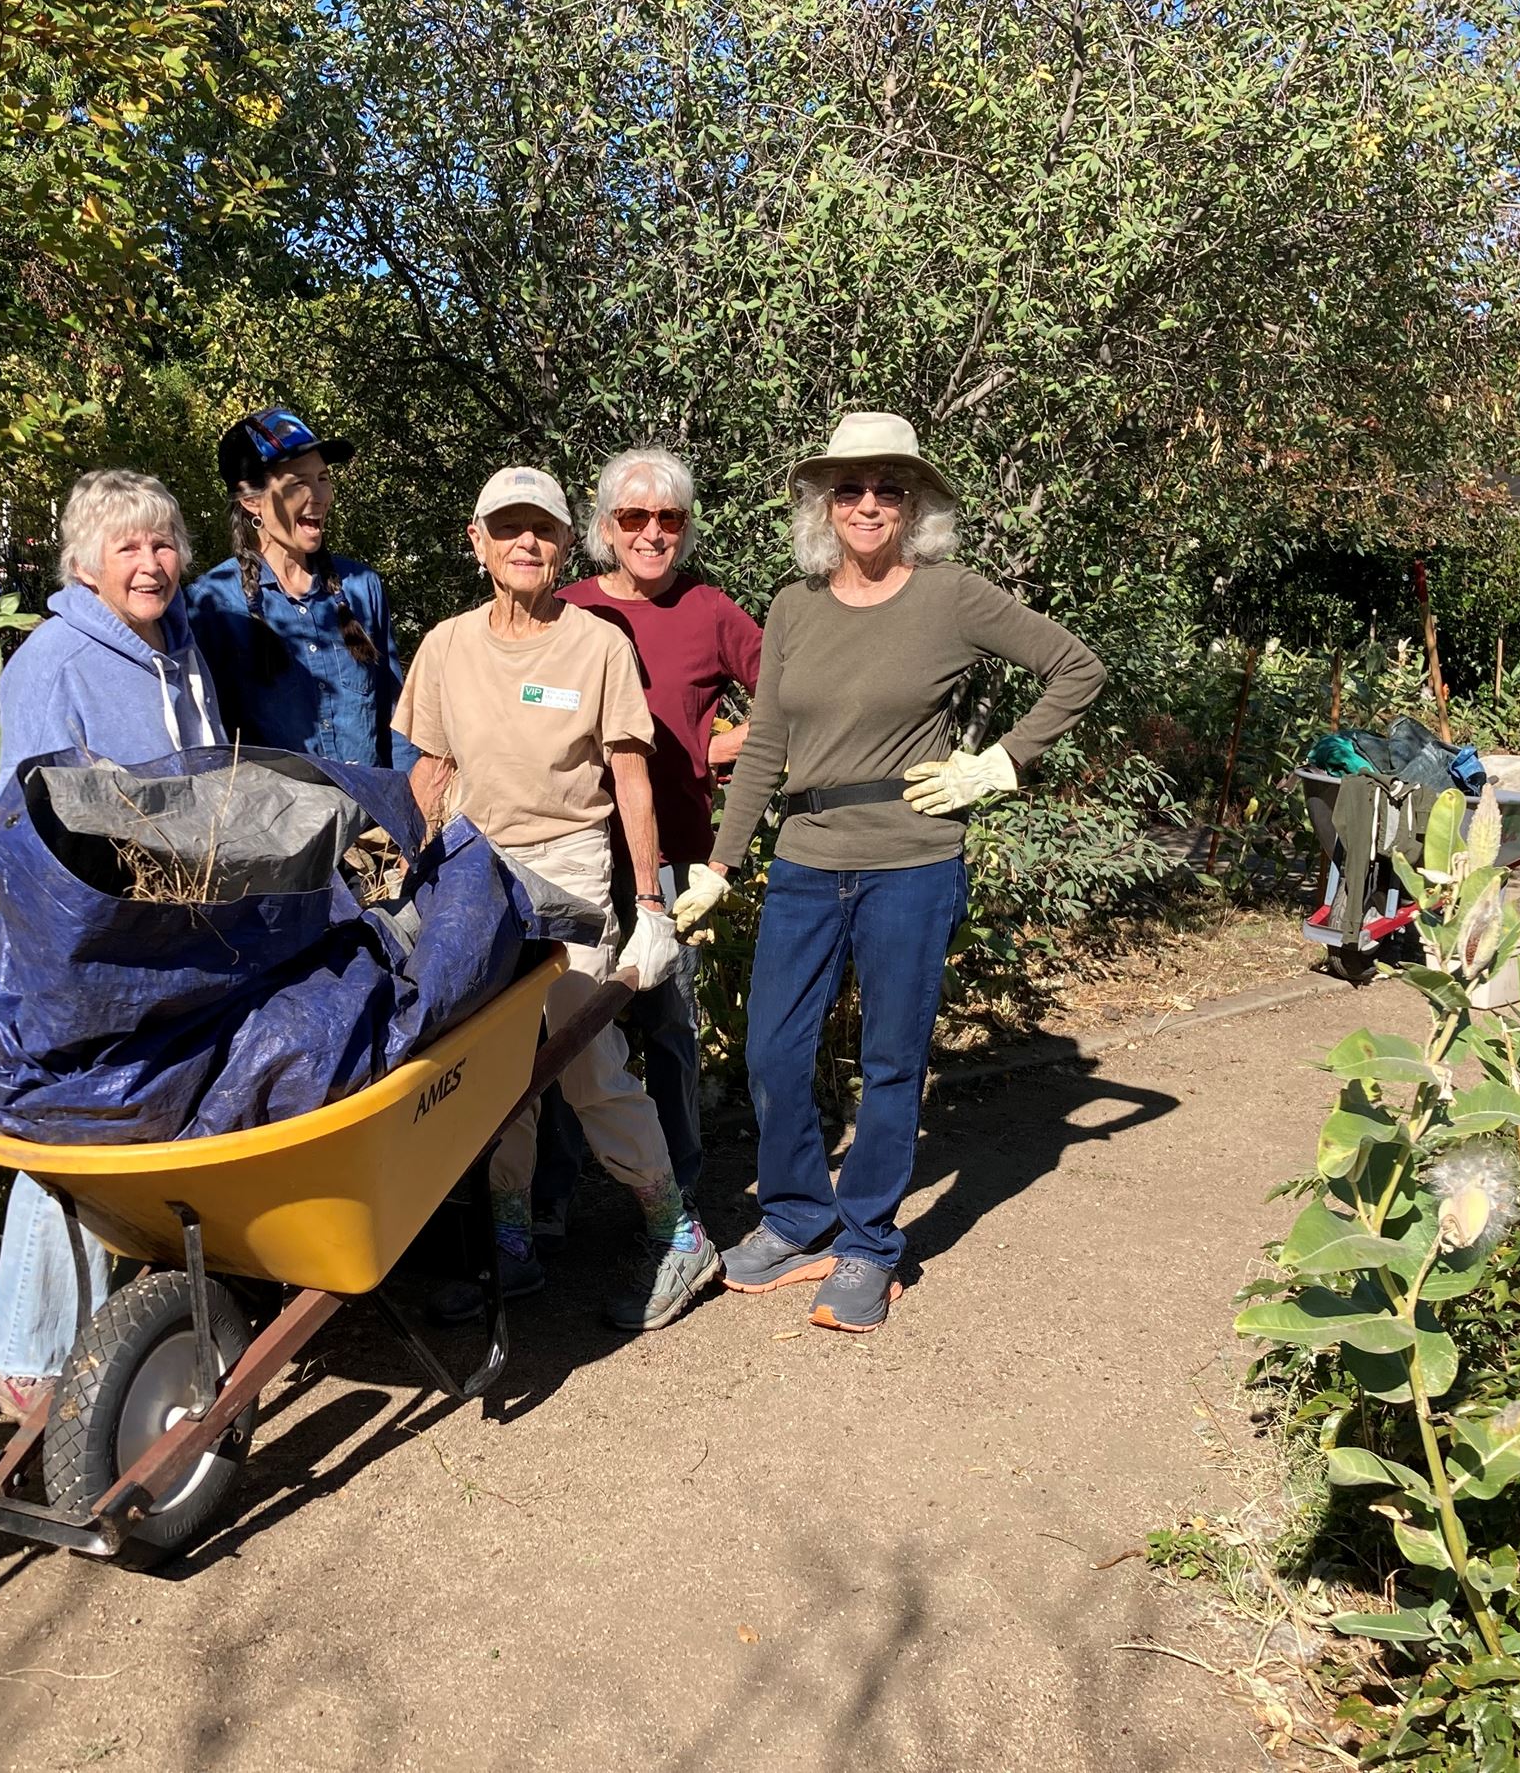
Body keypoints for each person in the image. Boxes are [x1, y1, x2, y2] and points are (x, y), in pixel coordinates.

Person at [675, 412, 1106, 1334]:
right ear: (824, 505)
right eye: (850, 488)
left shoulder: (951, 596)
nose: (868, 503)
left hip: (912, 860)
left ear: (916, 505)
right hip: (803, 858)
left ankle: (869, 1244)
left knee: (891, 1060)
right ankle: (798, 1221)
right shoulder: (794, 608)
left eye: (889, 488)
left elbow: (1077, 668)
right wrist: (721, 860)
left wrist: (1001, 762)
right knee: (772, 1053)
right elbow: (767, 751)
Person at [396, 465, 718, 1331]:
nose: (526, 543)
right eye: (508, 529)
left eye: (542, 528)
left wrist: (650, 904)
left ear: (567, 542)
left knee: (585, 1058)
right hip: (473, 871)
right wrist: (404, 873)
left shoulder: (597, 643)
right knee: (489, 1067)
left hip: (570, 867)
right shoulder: (447, 646)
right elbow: (430, 769)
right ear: (478, 543)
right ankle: (512, 1244)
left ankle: (676, 1229)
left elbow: (630, 774)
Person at [0, 468, 225, 1423]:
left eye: (162, 544)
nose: (150, 563)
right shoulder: (53, 662)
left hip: (175, 924)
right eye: (127, 548)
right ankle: (27, 1362)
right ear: (84, 564)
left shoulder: (180, 650)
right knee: (75, 1127)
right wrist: (91, 917)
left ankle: (94, 1348)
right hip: (89, 930)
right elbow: (30, 813)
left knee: (134, 1117)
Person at [531, 446, 761, 1234]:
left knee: (666, 1023)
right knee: (568, 1026)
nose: (653, 532)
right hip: (576, 854)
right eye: (635, 516)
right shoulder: (567, 607)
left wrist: (719, 747)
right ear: (604, 527)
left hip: (675, 854)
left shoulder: (711, 611)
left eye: (669, 518)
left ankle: (676, 1194)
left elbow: (791, 697)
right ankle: (550, 1197)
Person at [184, 406, 415, 769]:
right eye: (298, 483)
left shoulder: (361, 588)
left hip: (371, 819)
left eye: (323, 478)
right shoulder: (212, 604)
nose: (320, 496)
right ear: (251, 499)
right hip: (276, 822)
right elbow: (211, 737)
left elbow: (397, 717)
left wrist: (409, 809)